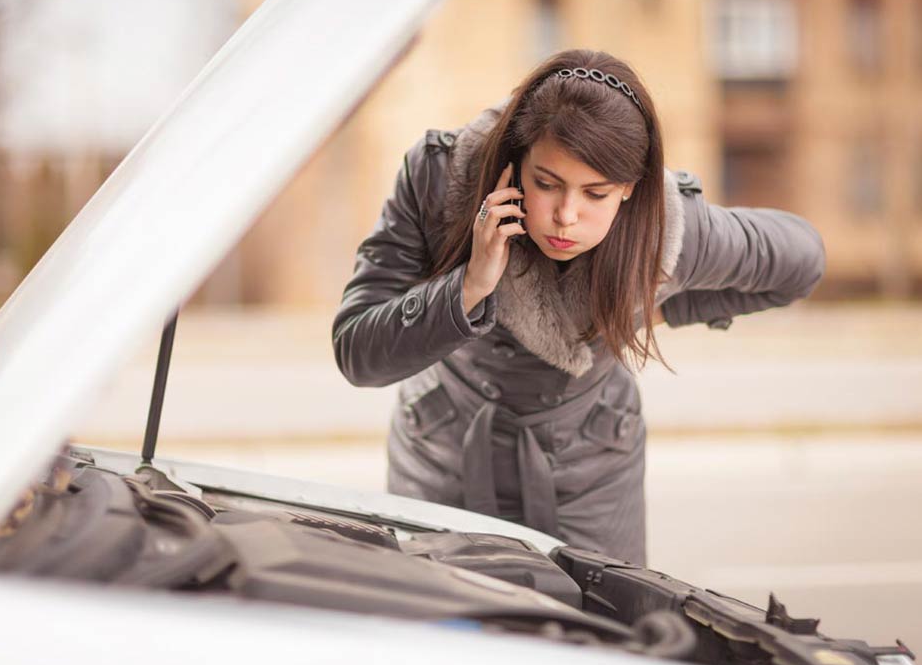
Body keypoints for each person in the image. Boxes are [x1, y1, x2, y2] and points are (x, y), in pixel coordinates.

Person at [331, 48, 825, 565]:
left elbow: (802, 261)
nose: (567, 215)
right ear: (514, 161)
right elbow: (356, 352)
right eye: (546, 184)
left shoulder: (667, 230)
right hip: (442, 452)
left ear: (633, 188)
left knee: (596, 636)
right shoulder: (440, 180)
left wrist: (650, 308)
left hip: (592, 474)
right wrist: (469, 285)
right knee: (440, 634)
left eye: (596, 193)